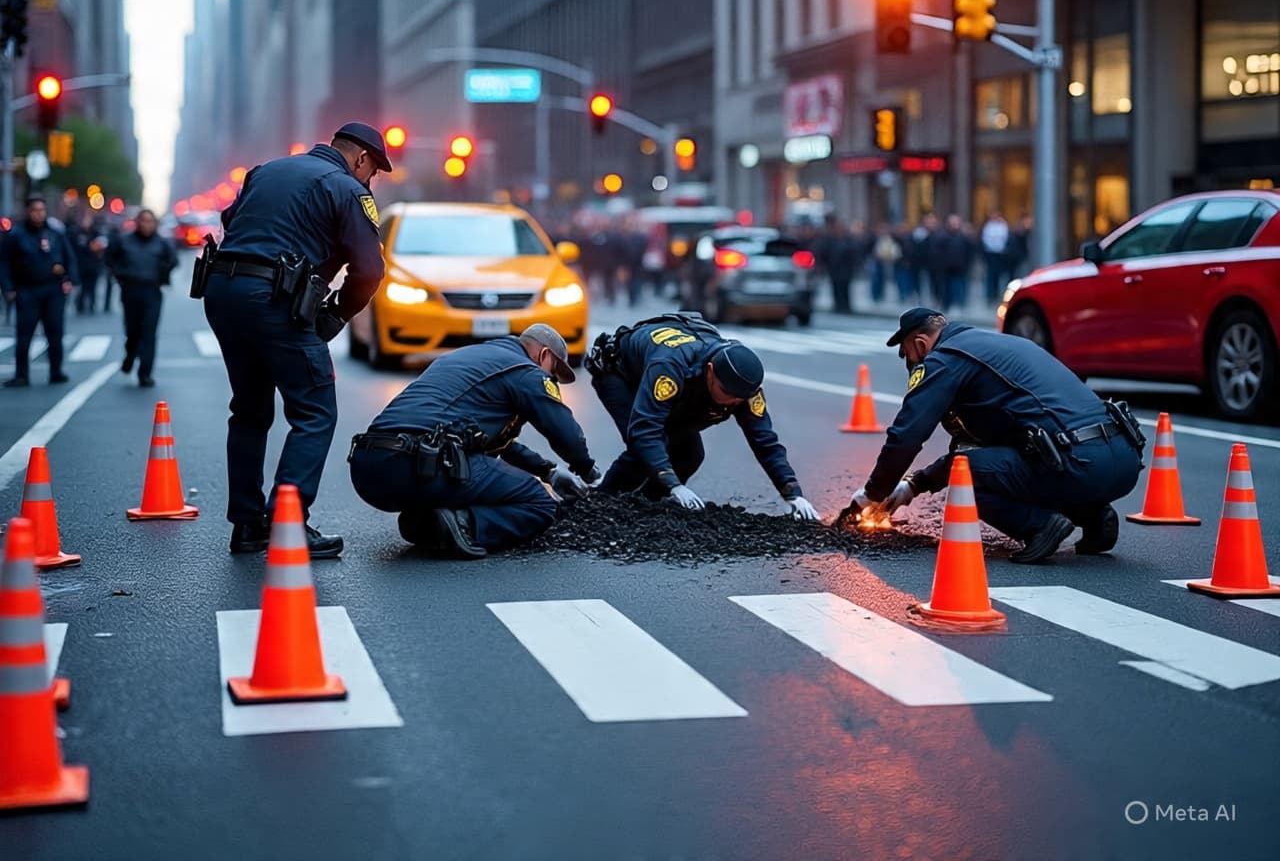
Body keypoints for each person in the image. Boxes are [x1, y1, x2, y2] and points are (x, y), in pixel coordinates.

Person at [201, 123, 388, 559]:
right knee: (315, 411)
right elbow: (370, 269)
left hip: (222, 291)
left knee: (249, 410)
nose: (371, 181)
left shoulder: (265, 171)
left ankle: (248, 526)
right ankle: (287, 525)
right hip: (274, 299)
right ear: (360, 158)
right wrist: (337, 315)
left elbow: (233, 221)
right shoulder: (346, 188)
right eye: (373, 172)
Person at [845, 308, 1145, 563]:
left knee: (968, 482)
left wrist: (872, 493)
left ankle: (1040, 527)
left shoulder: (944, 359)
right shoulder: (998, 344)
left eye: (906, 354)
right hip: (1122, 461)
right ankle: (1093, 517)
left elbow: (907, 435)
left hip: (1079, 464)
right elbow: (987, 451)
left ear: (921, 344)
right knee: (1013, 464)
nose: (908, 363)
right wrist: (915, 485)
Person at [349, 325, 599, 557]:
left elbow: (496, 445)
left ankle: (429, 522)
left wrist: (548, 471)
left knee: (471, 464)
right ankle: (466, 524)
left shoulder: (467, 358)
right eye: (554, 373)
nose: (553, 381)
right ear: (544, 356)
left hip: (370, 467)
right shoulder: (525, 370)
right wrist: (586, 469)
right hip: (418, 465)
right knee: (538, 502)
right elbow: (564, 431)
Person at [587, 313, 820, 518]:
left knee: (690, 455)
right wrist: (673, 485)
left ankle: (645, 508)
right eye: (726, 393)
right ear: (710, 371)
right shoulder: (670, 367)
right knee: (646, 447)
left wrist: (792, 493)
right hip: (620, 373)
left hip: (682, 387)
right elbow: (645, 430)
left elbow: (765, 441)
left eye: (739, 400)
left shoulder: (744, 389)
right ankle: (601, 504)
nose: (732, 402)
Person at [1, 196, 78, 387]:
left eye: (42, 210)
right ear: (28, 211)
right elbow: (4, 263)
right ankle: (21, 374)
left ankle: (56, 370)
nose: (39, 214)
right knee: (24, 334)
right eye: (35, 210)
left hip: (53, 289)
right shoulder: (16, 235)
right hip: (27, 289)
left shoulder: (54, 234)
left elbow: (69, 257)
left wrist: (70, 280)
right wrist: (8, 288)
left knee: (55, 332)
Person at [105, 209, 178, 388]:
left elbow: (173, 261)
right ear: (137, 222)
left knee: (149, 333)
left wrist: (162, 271)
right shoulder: (124, 241)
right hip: (130, 291)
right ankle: (130, 356)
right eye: (143, 221)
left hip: (152, 291)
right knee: (132, 331)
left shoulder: (162, 243)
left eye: (150, 221)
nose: (147, 225)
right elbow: (109, 258)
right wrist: (120, 274)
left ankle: (145, 373)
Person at [72, 213, 108, 314]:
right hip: (81, 265)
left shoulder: (96, 233)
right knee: (81, 287)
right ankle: (80, 305)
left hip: (93, 265)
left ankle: (92, 305)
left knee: (92, 287)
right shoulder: (77, 233)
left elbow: (102, 248)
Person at [980, 211, 1011, 302]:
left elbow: (1005, 238)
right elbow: (986, 239)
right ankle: (990, 294)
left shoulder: (1003, 226)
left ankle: (996, 293)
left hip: (1000, 254)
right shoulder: (988, 226)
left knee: (998, 275)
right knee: (990, 274)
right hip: (991, 253)